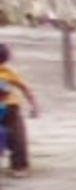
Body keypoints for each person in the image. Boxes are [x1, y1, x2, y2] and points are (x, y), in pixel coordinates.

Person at [0, 44, 42, 178]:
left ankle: (19, 166)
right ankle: (19, 167)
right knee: (18, 138)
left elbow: (24, 88)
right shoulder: (8, 72)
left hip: (10, 108)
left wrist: (34, 105)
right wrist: (34, 106)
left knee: (18, 138)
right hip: (11, 108)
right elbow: (25, 89)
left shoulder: (8, 73)